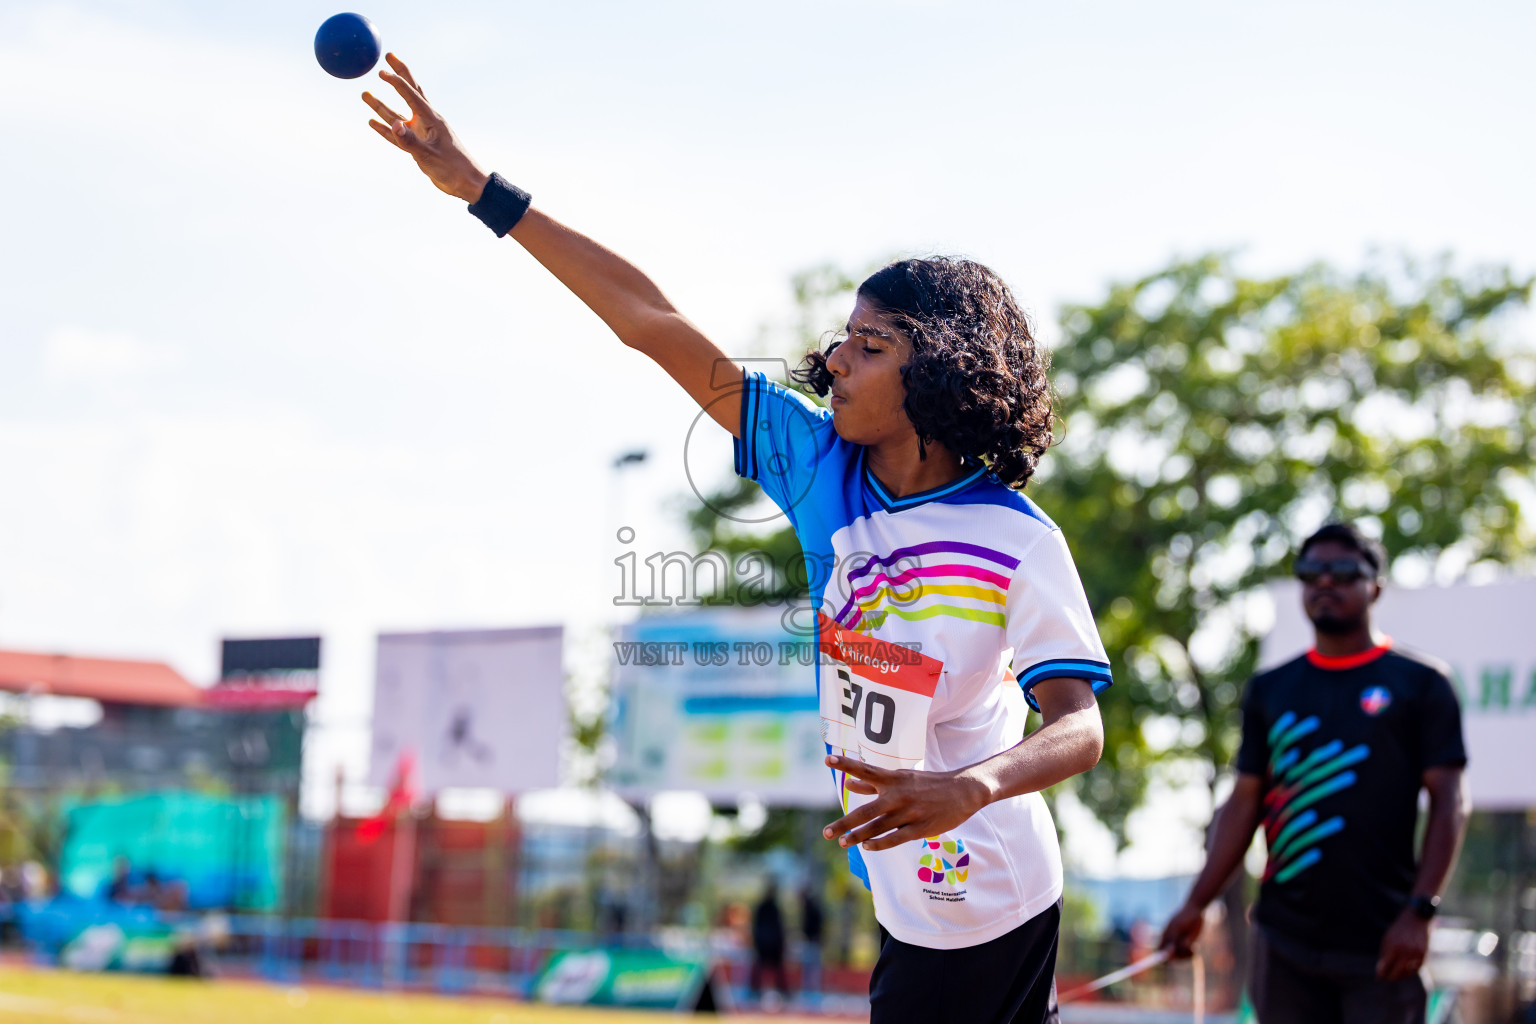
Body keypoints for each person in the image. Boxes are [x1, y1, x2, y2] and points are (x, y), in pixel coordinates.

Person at [363, 53, 1112, 1023]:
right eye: (844, 336)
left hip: (990, 884)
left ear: (942, 374)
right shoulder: (817, 466)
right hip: (905, 887)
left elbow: (1079, 728)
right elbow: (650, 321)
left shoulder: (1018, 540)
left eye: (871, 346)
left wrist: (965, 790)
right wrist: (481, 190)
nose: (836, 358)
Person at [1160, 522, 1469, 1024]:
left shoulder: (1422, 684)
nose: (1325, 582)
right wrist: (1198, 902)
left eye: (1344, 571)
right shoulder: (1271, 689)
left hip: (1382, 941)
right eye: (1311, 572)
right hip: (1283, 940)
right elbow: (1244, 803)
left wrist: (1420, 912)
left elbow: (1450, 801)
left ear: (1376, 586)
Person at [751, 881, 790, 1002]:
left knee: (775, 969)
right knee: (762, 967)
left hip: (769, 944)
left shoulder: (770, 907)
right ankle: (755, 991)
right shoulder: (767, 907)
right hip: (768, 944)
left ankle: (783, 992)